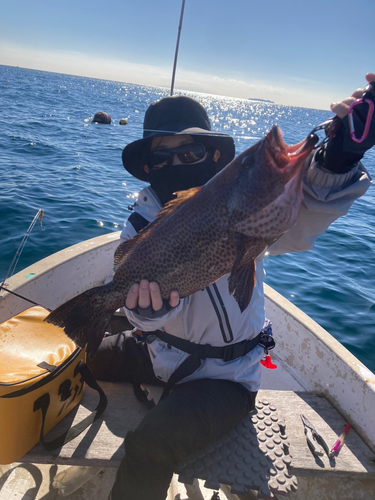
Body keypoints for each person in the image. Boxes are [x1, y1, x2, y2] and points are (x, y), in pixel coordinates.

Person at [89, 74, 374, 500]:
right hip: (156, 352)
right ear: (147, 167)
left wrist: (338, 156)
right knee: (77, 359)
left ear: (216, 154)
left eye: (192, 151)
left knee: (149, 448)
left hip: (226, 378)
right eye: (163, 158)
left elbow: (306, 209)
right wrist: (143, 313)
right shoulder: (140, 221)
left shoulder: (249, 217)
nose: (178, 164)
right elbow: (134, 302)